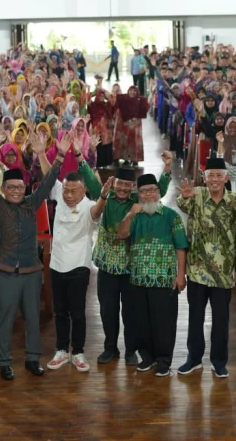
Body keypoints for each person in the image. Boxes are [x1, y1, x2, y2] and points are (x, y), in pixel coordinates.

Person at [0, 126, 64, 381]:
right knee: (6, 319)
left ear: (24, 187)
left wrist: (58, 157)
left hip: (31, 272)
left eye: (20, 187)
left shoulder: (32, 203)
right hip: (6, 272)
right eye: (12, 187)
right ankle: (5, 362)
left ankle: (32, 359)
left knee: (32, 319)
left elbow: (49, 181)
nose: (17, 191)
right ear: (5, 188)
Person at [85, 156, 172, 366]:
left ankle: (131, 350)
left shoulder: (137, 200)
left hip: (130, 268)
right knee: (108, 310)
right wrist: (81, 158)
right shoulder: (105, 196)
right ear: (114, 183)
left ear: (132, 186)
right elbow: (90, 180)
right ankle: (110, 348)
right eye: (120, 184)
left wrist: (167, 169)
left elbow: (158, 188)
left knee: (131, 312)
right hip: (106, 266)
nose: (123, 188)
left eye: (127, 185)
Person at [175, 156, 236, 379]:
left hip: (224, 273)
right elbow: (182, 203)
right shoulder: (197, 195)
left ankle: (219, 361)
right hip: (197, 270)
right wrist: (182, 196)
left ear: (226, 178)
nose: (215, 179)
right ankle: (194, 359)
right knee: (195, 318)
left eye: (219, 175)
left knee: (221, 320)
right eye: (211, 176)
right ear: (204, 178)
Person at [117, 173, 188, 377]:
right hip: (138, 279)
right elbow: (122, 234)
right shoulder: (135, 216)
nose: (148, 195)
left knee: (164, 321)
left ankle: (164, 360)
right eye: (143, 191)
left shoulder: (170, 216)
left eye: (152, 190)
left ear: (159, 192)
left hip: (164, 279)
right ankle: (147, 357)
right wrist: (130, 214)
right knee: (142, 321)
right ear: (138, 194)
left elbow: (180, 247)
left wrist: (180, 274)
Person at [43, 162, 95, 373]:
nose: (69, 195)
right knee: (60, 311)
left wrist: (103, 197)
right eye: (66, 190)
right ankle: (62, 350)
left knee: (78, 312)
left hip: (79, 266)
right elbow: (49, 175)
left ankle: (78, 352)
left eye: (74, 191)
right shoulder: (60, 196)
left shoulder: (89, 206)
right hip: (57, 264)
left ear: (84, 190)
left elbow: (98, 210)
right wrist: (39, 153)